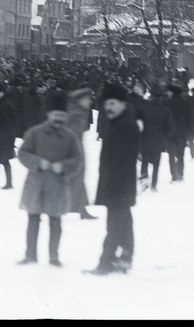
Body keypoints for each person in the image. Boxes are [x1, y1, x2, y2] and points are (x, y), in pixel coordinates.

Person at [17, 91, 83, 266]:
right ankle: (30, 255)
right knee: (33, 220)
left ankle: (54, 257)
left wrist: (63, 167)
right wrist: (38, 162)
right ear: (48, 115)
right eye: (56, 115)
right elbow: (22, 153)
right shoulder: (34, 133)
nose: (59, 118)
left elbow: (77, 161)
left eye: (62, 115)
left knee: (55, 222)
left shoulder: (70, 137)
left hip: (58, 185)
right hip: (36, 183)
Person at [84, 84, 140, 276]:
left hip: (119, 185)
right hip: (118, 184)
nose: (109, 107)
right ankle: (125, 257)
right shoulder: (119, 121)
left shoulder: (125, 124)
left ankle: (106, 263)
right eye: (107, 104)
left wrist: (113, 185)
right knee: (123, 223)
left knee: (114, 225)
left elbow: (124, 159)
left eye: (113, 103)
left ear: (122, 104)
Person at [66, 87, 97, 219]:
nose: (89, 102)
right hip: (71, 150)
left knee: (77, 179)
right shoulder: (75, 113)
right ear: (80, 100)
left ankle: (81, 208)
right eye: (87, 99)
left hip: (76, 148)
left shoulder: (79, 111)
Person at [137, 84, 174, 193]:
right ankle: (153, 185)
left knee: (144, 163)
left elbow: (137, 124)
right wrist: (165, 136)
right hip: (159, 141)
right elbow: (170, 127)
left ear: (151, 96)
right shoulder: (166, 110)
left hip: (145, 140)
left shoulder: (142, 109)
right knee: (156, 165)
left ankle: (144, 183)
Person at [164, 83, 190, 183]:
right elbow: (190, 119)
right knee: (180, 156)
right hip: (182, 134)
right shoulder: (186, 103)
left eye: (168, 91)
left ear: (172, 92)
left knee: (171, 156)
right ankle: (180, 174)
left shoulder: (166, 103)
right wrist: (187, 131)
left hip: (170, 135)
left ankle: (174, 176)